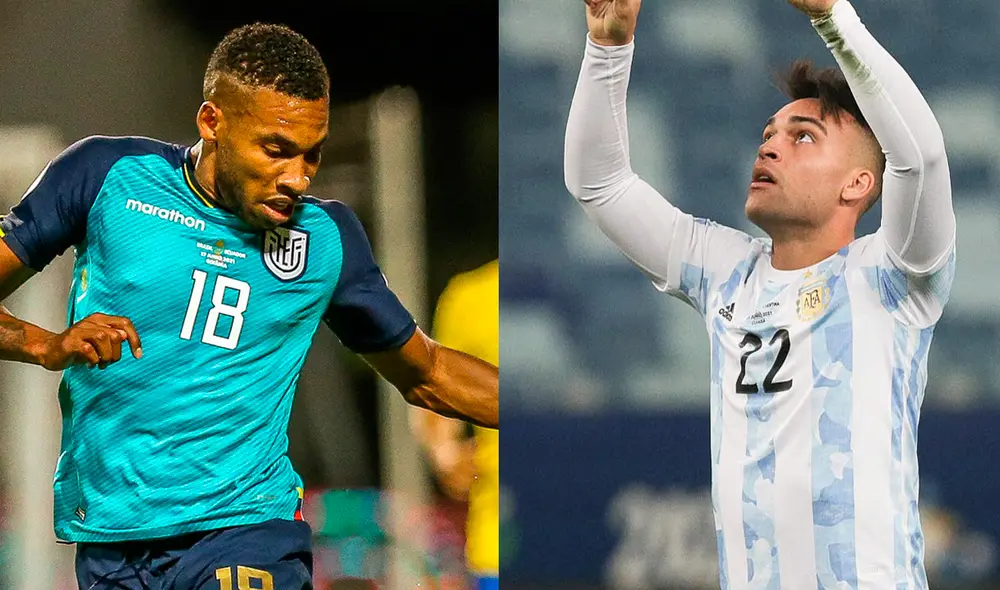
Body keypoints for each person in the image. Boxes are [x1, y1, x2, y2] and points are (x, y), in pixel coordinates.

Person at [0, 23, 498, 589]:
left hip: (246, 527)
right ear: (212, 122)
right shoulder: (108, 178)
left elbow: (428, 372)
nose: (297, 177)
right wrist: (44, 344)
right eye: (276, 150)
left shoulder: (324, 240)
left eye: (312, 154)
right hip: (112, 542)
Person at [566, 0, 954, 588]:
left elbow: (920, 158)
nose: (769, 148)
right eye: (769, 135)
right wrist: (608, 48)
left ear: (858, 183)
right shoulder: (725, 271)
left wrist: (833, 18)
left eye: (803, 138)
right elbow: (600, 184)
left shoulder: (893, 273)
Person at [413, 259, 498, 590]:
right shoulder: (469, 296)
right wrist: (444, 454)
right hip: (500, 541)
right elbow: (435, 389)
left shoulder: (611, 285)